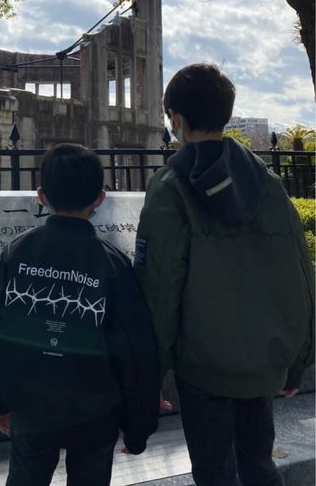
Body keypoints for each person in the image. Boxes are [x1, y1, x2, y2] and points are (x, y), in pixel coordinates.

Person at [134, 63, 315, 486]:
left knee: (214, 470)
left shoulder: (169, 186)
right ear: (226, 115)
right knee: (257, 461)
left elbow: (159, 289)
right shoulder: (267, 182)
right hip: (264, 357)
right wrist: (299, 358)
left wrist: (149, 374)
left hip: (204, 363)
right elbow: (301, 272)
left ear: (175, 119)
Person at [0, 143, 160, 486]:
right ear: (100, 198)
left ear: (42, 195)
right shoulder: (113, 265)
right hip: (96, 413)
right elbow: (135, 352)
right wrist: (138, 428)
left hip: (30, 407)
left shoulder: (15, 255)